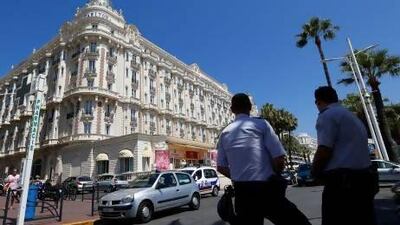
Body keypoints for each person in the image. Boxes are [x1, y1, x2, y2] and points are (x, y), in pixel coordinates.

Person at [217, 93, 311, 225]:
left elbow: (220, 166)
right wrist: (276, 175)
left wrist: (238, 176)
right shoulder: (262, 125)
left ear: (232, 110)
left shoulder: (225, 133)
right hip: (267, 189)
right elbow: (279, 158)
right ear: (250, 107)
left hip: (242, 194)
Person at [312, 86, 378, 225]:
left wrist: (315, 171)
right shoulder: (351, 116)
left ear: (318, 102)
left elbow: (324, 149)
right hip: (364, 179)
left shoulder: (327, 116)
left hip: (343, 184)